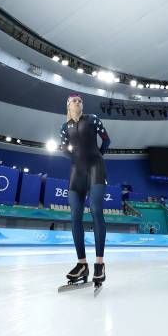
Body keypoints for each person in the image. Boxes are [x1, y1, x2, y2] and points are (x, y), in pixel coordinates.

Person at [60, 93, 110, 285]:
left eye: (81, 101)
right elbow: (64, 148)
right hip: (77, 173)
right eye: (74, 100)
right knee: (75, 217)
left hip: (96, 169)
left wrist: (98, 157)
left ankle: (99, 264)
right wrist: (75, 161)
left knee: (96, 211)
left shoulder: (93, 119)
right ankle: (82, 264)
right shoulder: (65, 127)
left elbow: (106, 140)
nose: (78, 102)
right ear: (68, 105)